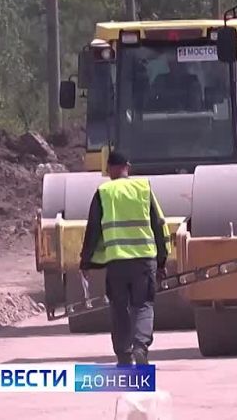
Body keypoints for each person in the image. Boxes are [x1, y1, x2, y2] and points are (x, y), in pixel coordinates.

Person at [79, 151, 168, 366]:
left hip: (117, 262)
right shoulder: (143, 188)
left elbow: (93, 230)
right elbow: (158, 224)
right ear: (127, 166)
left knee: (119, 308)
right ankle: (140, 346)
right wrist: (162, 261)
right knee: (143, 305)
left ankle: (124, 355)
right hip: (144, 261)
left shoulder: (104, 192)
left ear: (110, 168)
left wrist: (86, 262)